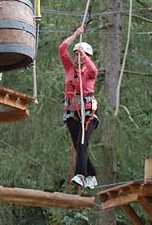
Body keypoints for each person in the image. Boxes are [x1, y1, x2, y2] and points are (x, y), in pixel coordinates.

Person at [59, 26, 99, 190]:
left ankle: (81, 175)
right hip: (72, 112)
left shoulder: (89, 73)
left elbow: (94, 70)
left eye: (80, 54)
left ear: (88, 56)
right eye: (76, 54)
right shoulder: (69, 68)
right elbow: (62, 49)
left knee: (82, 143)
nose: (77, 57)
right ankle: (92, 175)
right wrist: (76, 35)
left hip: (88, 113)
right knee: (78, 145)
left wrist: (84, 55)